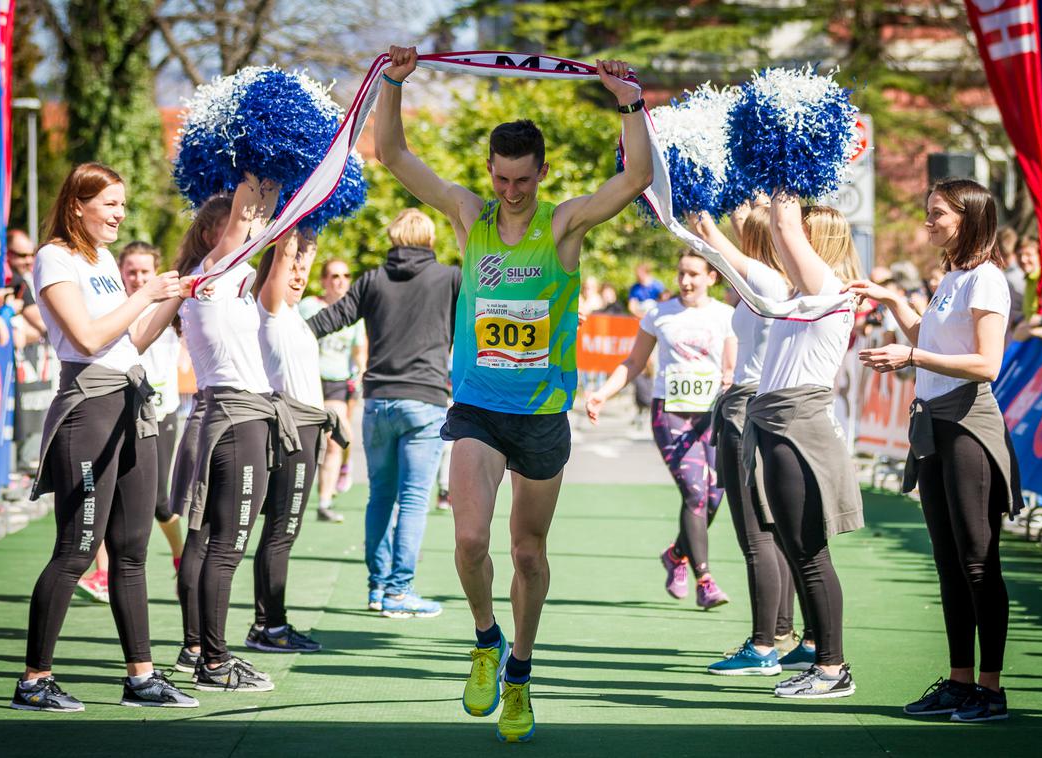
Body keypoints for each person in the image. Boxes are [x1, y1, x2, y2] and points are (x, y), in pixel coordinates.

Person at [373, 45, 653, 741]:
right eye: (500, 178)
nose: (511, 191)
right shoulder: (469, 217)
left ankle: (521, 672)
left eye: (522, 179)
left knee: (527, 553)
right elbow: (394, 155)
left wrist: (630, 102)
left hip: (541, 418)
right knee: (470, 540)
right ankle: (485, 638)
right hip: (475, 409)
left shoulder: (564, 224)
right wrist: (393, 84)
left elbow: (638, 176)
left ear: (542, 172)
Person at [15, 162, 199, 712]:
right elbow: (90, 336)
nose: (121, 213)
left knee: (132, 551)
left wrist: (177, 294)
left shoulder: (100, 261)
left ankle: (140, 677)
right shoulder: (56, 256)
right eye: (110, 204)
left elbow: (132, 340)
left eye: (123, 203)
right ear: (78, 205)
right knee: (76, 550)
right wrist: (147, 294)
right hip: (89, 409)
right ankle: (33, 681)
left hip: (130, 403)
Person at [849, 178, 1023, 723]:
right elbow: (933, 338)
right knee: (950, 564)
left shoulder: (987, 280)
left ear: (968, 218)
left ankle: (990, 691)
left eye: (937, 214)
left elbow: (986, 364)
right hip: (935, 429)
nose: (928, 222)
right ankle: (959, 682)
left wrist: (912, 357)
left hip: (969, 425)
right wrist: (896, 303)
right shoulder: (953, 278)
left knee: (977, 561)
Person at [305, 208, 460, 618]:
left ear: (393, 238)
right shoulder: (449, 280)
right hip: (424, 400)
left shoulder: (373, 279)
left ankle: (377, 587)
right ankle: (399, 590)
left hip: (377, 401)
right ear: (429, 240)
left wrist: (280, 328)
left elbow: (328, 320)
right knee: (412, 499)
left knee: (380, 498)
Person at [174, 176, 295, 693]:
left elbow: (262, 222)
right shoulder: (210, 279)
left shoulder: (232, 281)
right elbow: (248, 220)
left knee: (211, 543)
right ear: (211, 237)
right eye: (237, 226)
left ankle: (204, 654)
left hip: (239, 417)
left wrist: (275, 182)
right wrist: (253, 164)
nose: (250, 230)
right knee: (226, 547)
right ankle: (217, 663)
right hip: (235, 418)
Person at [742, 193, 863, 699]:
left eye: (801, 235)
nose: (787, 242)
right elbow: (776, 235)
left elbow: (786, 230)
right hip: (775, 422)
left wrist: (784, 167)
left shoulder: (828, 288)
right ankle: (823, 663)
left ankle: (833, 669)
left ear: (822, 242)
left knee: (809, 552)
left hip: (799, 426)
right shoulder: (800, 294)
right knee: (797, 548)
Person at [687, 205, 817, 676]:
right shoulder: (774, 281)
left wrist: (695, 203)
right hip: (751, 401)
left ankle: (763, 646)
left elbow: (708, 239)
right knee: (773, 533)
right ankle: (779, 632)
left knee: (756, 536)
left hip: (748, 403)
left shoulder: (766, 279)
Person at [586, 251, 735, 608]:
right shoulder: (659, 314)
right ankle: (705, 580)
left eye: (694, 275)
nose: (685, 281)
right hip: (670, 413)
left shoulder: (727, 316)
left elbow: (731, 367)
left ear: (712, 277)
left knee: (715, 497)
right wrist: (602, 394)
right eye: (681, 273)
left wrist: (730, 381)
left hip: (711, 415)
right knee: (696, 493)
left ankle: (675, 555)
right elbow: (634, 361)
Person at [248, 230, 344, 653]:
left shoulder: (294, 317)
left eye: (306, 268)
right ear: (274, 268)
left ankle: (267, 625)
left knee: (281, 531)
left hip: (306, 430)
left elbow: (306, 249)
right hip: (290, 432)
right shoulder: (269, 311)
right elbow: (282, 257)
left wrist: (311, 232)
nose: (299, 274)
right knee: (281, 532)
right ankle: (271, 628)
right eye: (293, 266)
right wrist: (289, 229)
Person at [119, 242, 186, 570]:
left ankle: (180, 557)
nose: (137, 277)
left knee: (160, 500)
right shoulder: (116, 306)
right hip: (122, 412)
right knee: (114, 495)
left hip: (161, 413)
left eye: (144, 271)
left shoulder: (171, 305)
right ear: (121, 272)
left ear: (156, 271)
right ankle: (105, 573)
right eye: (131, 271)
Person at [297, 258, 367, 523]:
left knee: (338, 438)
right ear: (324, 280)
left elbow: (360, 350)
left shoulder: (354, 313)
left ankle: (325, 501)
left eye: (346, 275)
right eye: (334, 276)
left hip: (338, 384)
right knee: (306, 444)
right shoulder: (308, 307)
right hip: (308, 381)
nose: (340, 281)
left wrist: (360, 371)